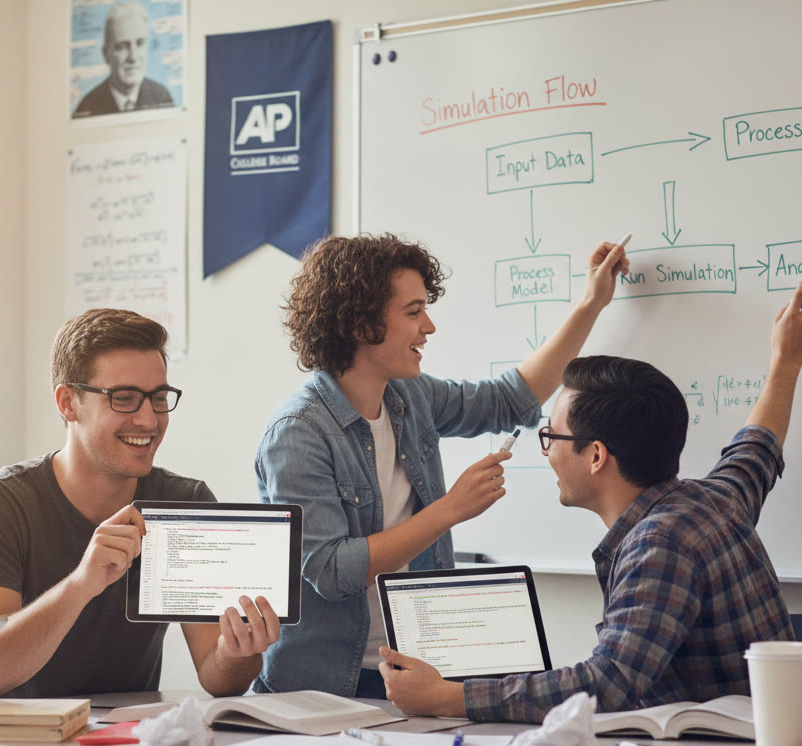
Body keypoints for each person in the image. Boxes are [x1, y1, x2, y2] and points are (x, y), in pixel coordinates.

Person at [378, 279, 802, 722]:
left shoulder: (660, 544)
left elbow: (607, 684)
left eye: (550, 436)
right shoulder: (713, 501)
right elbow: (756, 449)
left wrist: (447, 698)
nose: (546, 450)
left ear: (595, 456)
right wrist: (786, 362)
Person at [254, 233, 629, 698]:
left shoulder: (411, 396)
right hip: (325, 688)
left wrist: (592, 302)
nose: (428, 326)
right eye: (413, 312)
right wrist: (450, 510)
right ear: (360, 324)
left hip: (417, 674)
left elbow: (512, 398)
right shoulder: (298, 431)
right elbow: (332, 572)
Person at [0, 308, 278, 699]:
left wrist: (236, 653)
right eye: (124, 398)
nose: (148, 419)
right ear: (68, 403)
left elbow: (217, 678)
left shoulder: (184, 502)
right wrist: (81, 585)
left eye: (158, 398)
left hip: (126, 742)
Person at [72, 2, 174, 118]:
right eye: (123, 46)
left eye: (140, 43)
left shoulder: (161, 97)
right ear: (106, 54)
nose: (133, 57)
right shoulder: (87, 107)